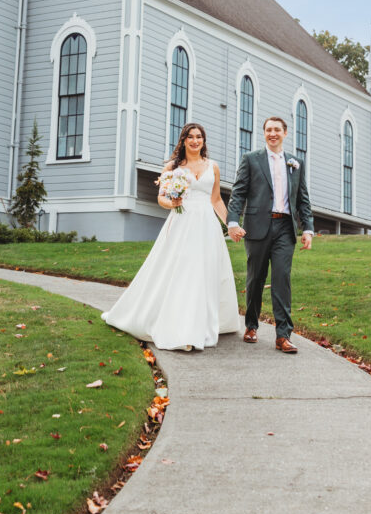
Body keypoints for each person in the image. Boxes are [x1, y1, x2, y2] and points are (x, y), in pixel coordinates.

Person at [102, 123, 239, 351]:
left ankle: (203, 322)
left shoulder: (212, 167)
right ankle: (182, 328)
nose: (195, 141)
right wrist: (172, 202)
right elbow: (161, 198)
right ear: (183, 140)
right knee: (183, 272)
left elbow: (216, 200)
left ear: (203, 141)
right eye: (190, 137)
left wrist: (231, 225)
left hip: (207, 227)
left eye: (199, 137)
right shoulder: (172, 167)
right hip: (182, 223)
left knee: (204, 273)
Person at [226, 116, 314, 353]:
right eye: (268, 130)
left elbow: (302, 198)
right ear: (264, 133)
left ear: (285, 133)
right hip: (257, 226)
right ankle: (252, 325)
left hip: (285, 227)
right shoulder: (251, 160)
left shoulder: (296, 163)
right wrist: (233, 221)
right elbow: (238, 193)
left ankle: (283, 335)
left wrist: (307, 229)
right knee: (256, 278)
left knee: (282, 278)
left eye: (277, 129)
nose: (272, 133)